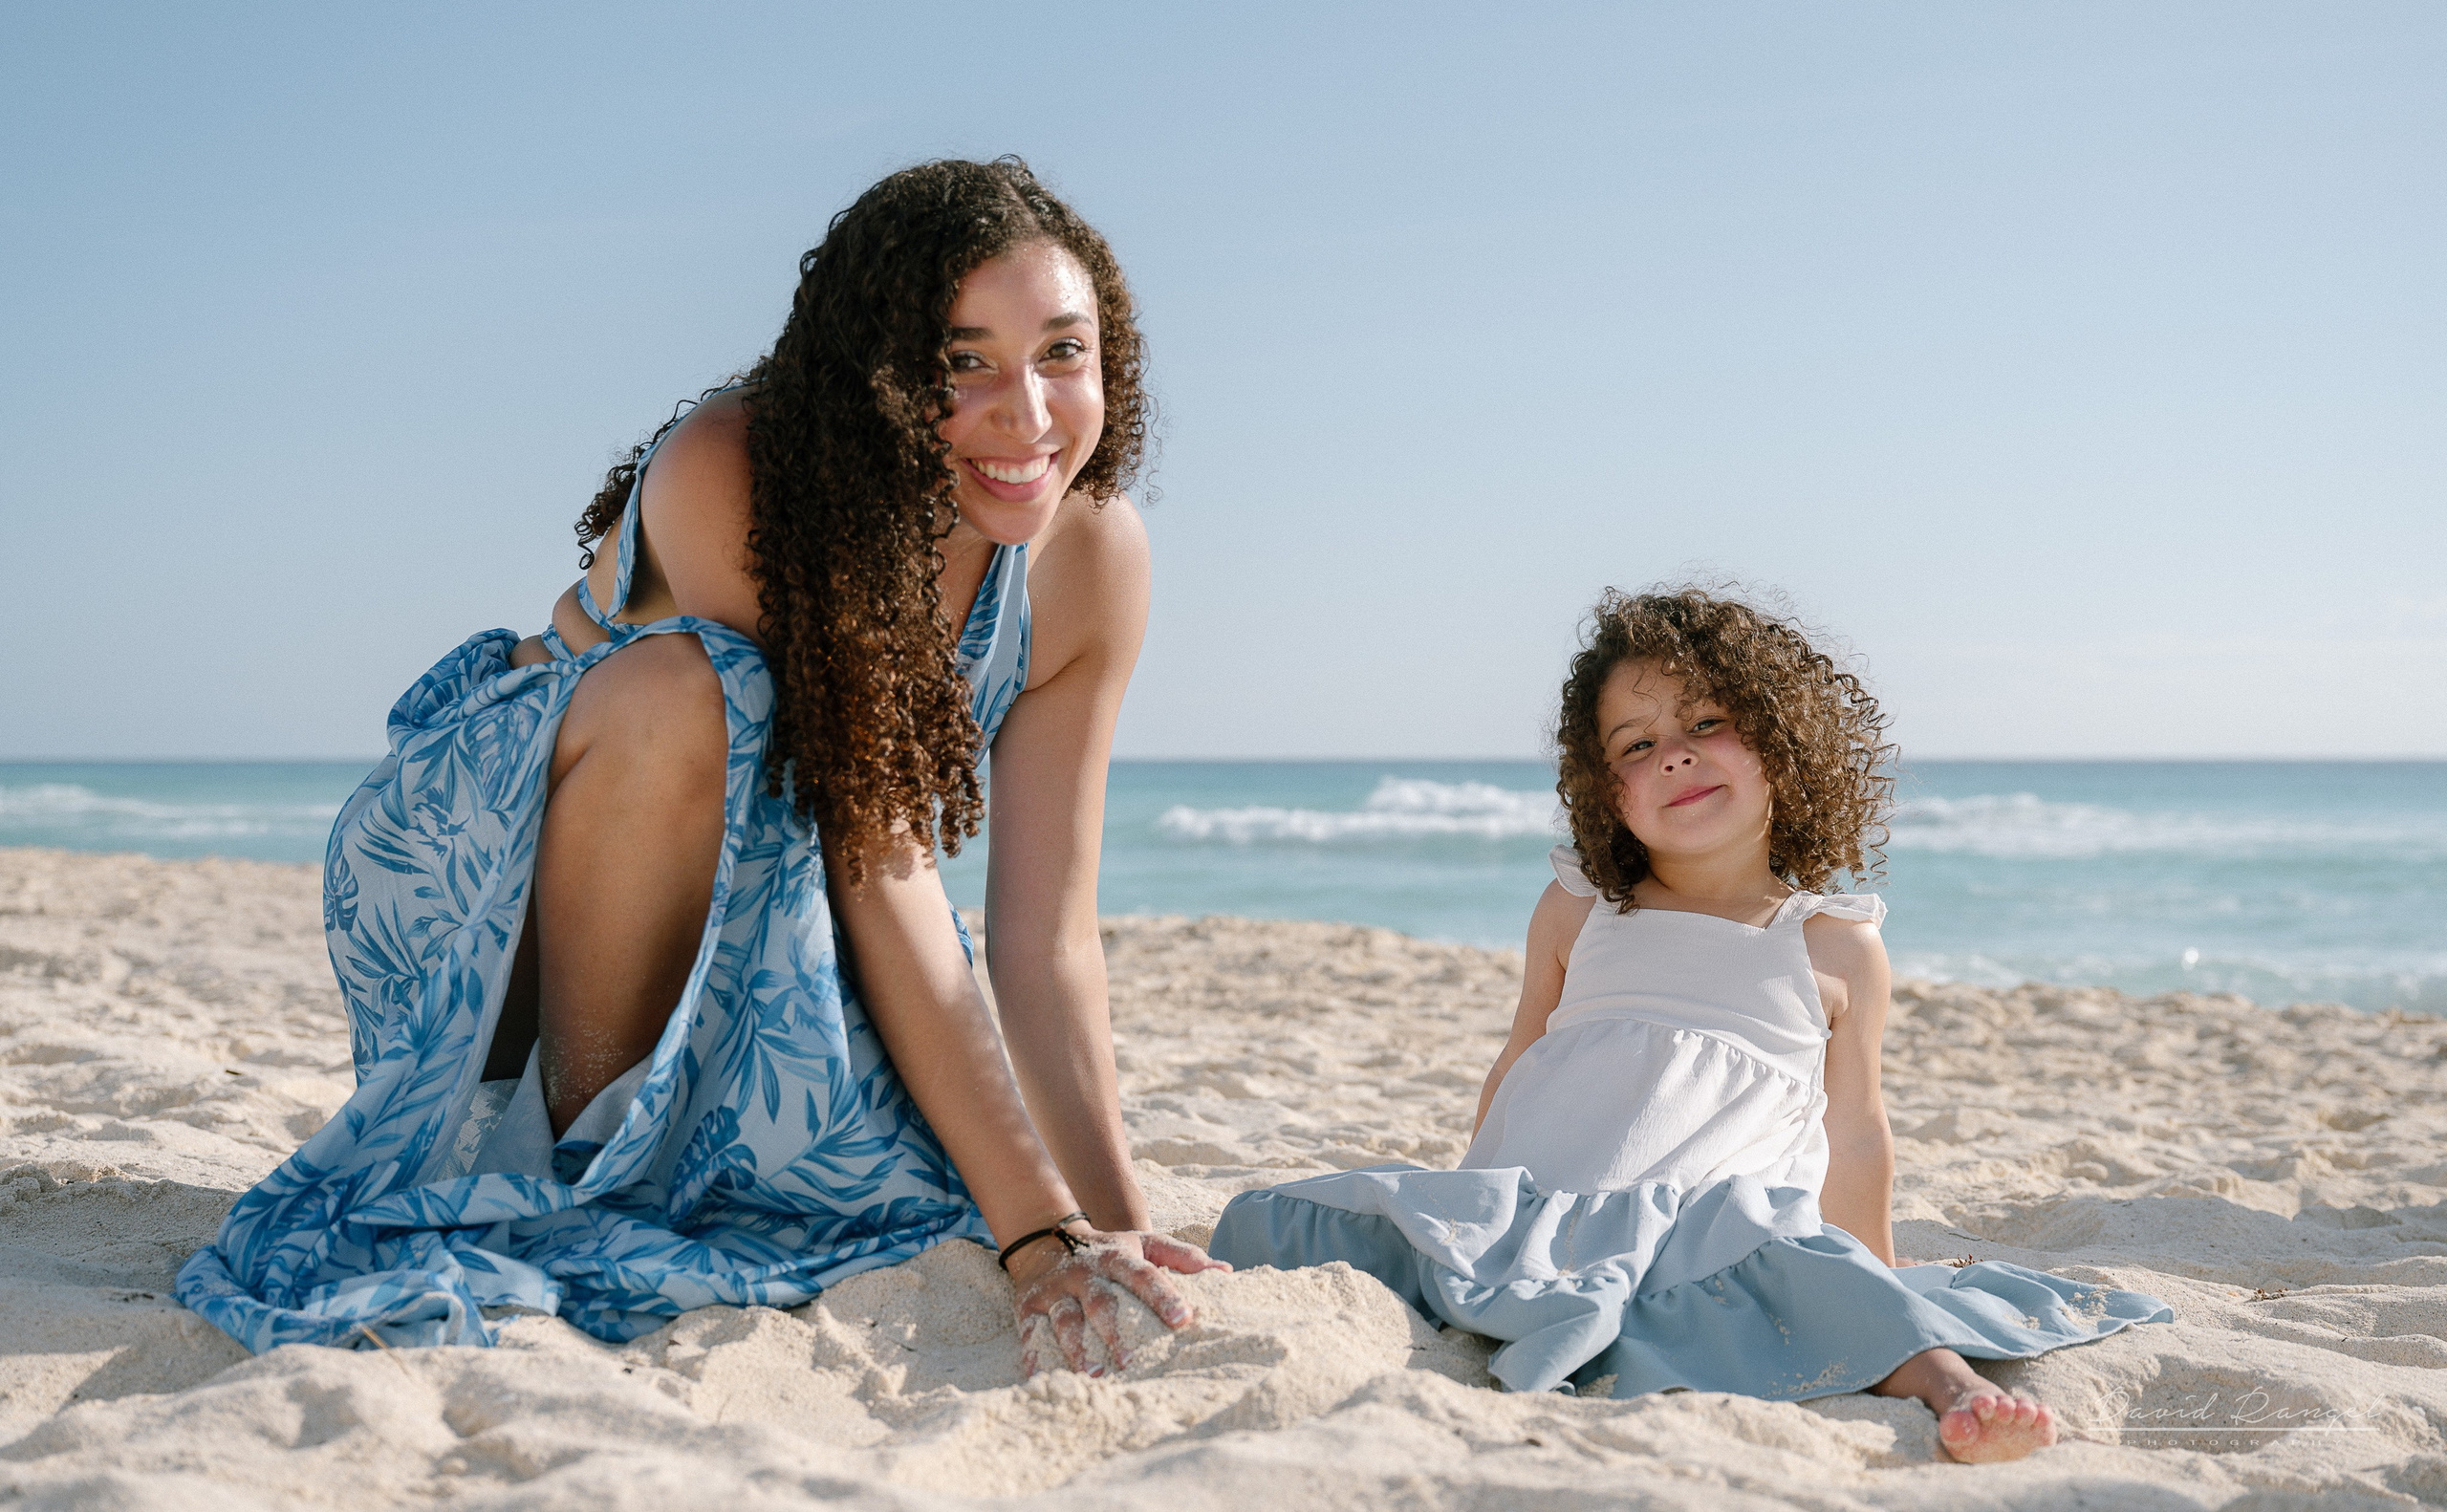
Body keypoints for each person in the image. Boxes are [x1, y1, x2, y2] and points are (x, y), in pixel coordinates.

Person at [177, 157, 1223, 1372]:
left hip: (755, 907)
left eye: (1061, 352)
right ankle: (570, 1179)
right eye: (961, 361)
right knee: (705, 691)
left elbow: (1046, 940)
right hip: (491, 866)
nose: (1027, 413)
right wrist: (1035, 1234)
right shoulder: (736, 472)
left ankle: (640, 1178)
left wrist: (1115, 1235)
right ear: (877, 375)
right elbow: (872, 846)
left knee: (934, 1152)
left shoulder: (1092, 562)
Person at [1211, 587, 2170, 1462]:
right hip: (1550, 1205)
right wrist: (1473, 1201)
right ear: (1605, 793)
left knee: (1805, 1266)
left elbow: (1856, 1127)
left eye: (1706, 723)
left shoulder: (1831, 947)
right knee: (1272, 1216)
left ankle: (1949, 1392)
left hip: (1708, 1224)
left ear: (1782, 743)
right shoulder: (1578, 909)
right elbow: (1520, 1060)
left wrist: (1871, 1263)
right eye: (1634, 744)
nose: (1672, 752)